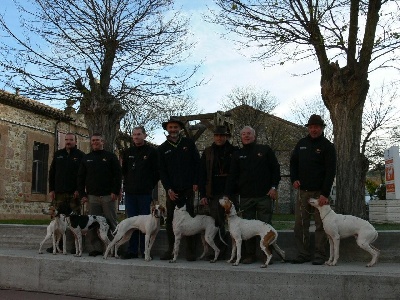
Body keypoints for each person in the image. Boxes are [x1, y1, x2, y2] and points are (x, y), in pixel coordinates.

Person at [224, 126, 281, 264]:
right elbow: (232, 176)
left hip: (264, 196)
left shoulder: (265, 150)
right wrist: (227, 194)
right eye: (243, 134)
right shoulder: (238, 154)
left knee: (265, 225)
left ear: (254, 136)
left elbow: (276, 170)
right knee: (247, 228)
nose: (246, 136)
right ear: (241, 137)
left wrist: (274, 187)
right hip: (246, 197)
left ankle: (267, 255)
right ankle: (249, 255)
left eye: (249, 134)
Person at [290, 114, 336, 265]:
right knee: (300, 224)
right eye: (311, 127)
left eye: (316, 127)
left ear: (322, 128)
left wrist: (325, 194)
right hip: (303, 191)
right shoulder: (301, 144)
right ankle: (302, 254)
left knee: (320, 225)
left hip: (319, 193)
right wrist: (294, 178)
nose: (313, 130)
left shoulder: (327, 146)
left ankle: (319, 255)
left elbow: (330, 172)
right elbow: (293, 163)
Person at [157, 117, 200, 261]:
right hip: (172, 191)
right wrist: (168, 188)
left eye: (176, 127)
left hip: (188, 188)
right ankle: (171, 250)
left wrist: (195, 181)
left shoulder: (189, 143)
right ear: (167, 129)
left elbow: (197, 164)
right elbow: (162, 171)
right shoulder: (162, 148)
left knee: (191, 218)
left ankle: (190, 251)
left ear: (180, 128)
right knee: (170, 220)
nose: (173, 129)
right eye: (170, 127)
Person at [77, 133, 122, 256]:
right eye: (93, 140)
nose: (95, 142)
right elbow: (80, 178)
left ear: (103, 142)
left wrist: (115, 191)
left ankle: (115, 248)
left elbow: (118, 176)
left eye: (98, 140)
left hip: (108, 196)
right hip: (92, 197)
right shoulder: (86, 158)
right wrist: (83, 195)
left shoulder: (111, 157)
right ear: (91, 142)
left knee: (112, 223)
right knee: (92, 225)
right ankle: (96, 248)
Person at [199, 125, 238, 258]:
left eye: (222, 135)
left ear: (226, 136)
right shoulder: (208, 152)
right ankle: (219, 252)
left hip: (230, 191)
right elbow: (202, 174)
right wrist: (203, 194)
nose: (219, 138)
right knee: (217, 223)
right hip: (213, 191)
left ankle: (235, 252)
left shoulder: (234, 151)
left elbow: (236, 173)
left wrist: (229, 192)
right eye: (217, 135)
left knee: (233, 222)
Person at [120, 126, 159, 259]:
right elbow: (124, 171)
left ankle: (144, 251)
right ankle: (131, 250)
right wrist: (125, 186)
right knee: (132, 223)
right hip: (130, 194)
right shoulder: (127, 152)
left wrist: (149, 185)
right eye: (134, 135)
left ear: (144, 135)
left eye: (139, 134)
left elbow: (156, 172)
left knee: (145, 224)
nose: (136, 137)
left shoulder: (152, 152)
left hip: (144, 194)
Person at [47, 132, 85, 253]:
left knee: (75, 221)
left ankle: (76, 247)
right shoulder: (58, 154)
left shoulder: (81, 156)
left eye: (71, 140)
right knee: (57, 220)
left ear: (76, 141)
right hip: (59, 193)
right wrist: (51, 189)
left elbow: (82, 175)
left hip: (74, 194)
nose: (68, 142)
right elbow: (52, 173)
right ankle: (57, 246)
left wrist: (79, 190)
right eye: (67, 139)